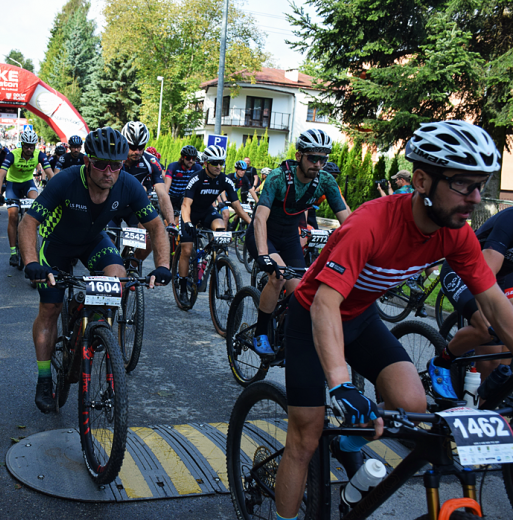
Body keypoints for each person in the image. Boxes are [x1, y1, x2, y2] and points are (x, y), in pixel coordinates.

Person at [272, 120, 513, 520]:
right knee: (306, 434)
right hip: (313, 317)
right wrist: (341, 385)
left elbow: (494, 303)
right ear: (421, 180)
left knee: (411, 405)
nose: (474, 197)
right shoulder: (370, 223)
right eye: (462, 185)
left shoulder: (456, 232)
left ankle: (348, 446)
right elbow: (325, 304)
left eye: (480, 185)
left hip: (361, 317)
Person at [18, 127, 172, 413]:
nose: (109, 171)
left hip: (93, 242)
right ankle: (43, 378)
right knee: (49, 309)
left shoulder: (128, 185)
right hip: (58, 247)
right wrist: (30, 263)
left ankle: (96, 329)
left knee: (118, 275)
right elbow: (28, 223)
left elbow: (156, 227)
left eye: (116, 164)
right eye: (101, 164)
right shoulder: (65, 181)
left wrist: (163, 266)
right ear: (88, 162)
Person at [246, 129, 350, 355]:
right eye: (313, 158)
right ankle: (260, 333)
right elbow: (260, 217)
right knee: (279, 276)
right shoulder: (278, 177)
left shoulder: (326, 181)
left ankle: (284, 336)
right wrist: (264, 254)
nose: (318, 164)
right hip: (262, 235)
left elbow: (349, 222)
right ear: (299, 155)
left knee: (301, 293)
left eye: (324, 159)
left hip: (290, 237)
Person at [434, 204, 513, 393]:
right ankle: (441, 362)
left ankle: (490, 410)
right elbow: (486, 273)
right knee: (487, 328)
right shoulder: (509, 219)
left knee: (501, 365)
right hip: (463, 270)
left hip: (501, 278)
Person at [177, 145, 252, 307]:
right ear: (205, 163)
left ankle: (212, 258)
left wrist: (251, 223)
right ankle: (182, 287)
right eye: (215, 163)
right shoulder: (196, 179)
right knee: (187, 249)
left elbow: (237, 206)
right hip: (190, 213)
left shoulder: (224, 180)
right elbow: (185, 205)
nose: (219, 166)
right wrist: (188, 222)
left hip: (207, 212)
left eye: (221, 163)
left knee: (220, 229)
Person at [118, 121, 175, 265]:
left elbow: (162, 194)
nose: (137, 151)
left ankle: (130, 268)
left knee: (150, 238)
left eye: (141, 147)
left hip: (134, 207)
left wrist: (171, 223)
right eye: (132, 147)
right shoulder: (114, 159)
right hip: (112, 205)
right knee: (109, 244)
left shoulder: (151, 161)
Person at [0, 129, 53, 267]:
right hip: (12, 185)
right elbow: (1, 174)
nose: (28, 149)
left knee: (35, 205)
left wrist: (57, 191)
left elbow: (51, 174)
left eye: (31, 146)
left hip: (28, 184)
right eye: (26, 146)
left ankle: (29, 236)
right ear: (22, 144)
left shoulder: (39, 155)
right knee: (13, 215)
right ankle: (13, 252)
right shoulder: (12, 155)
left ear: (35, 146)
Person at [164, 145, 202, 219]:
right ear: (182, 157)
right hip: (172, 196)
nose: (191, 161)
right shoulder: (173, 166)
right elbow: (167, 186)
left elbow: (201, 185)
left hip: (185, 197)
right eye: (188, 158)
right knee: (169, 219)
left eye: (193, 158)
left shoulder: (197, 168)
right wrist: (166, 200)